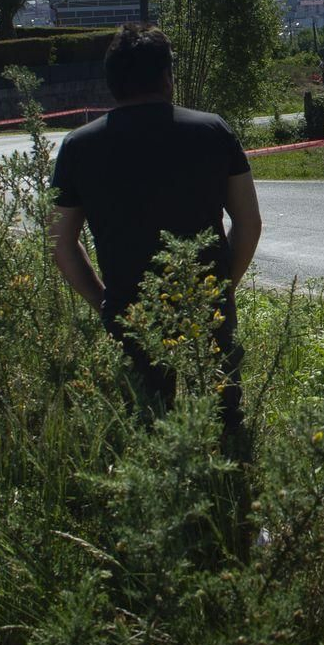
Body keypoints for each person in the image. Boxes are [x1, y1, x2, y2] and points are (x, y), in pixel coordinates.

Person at [49, 24, 263, 455]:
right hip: (207, 306)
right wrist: (222, 288)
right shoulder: (213, 132)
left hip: (132, 310)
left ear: (111, 82)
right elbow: (249, 222)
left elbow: (60, 243)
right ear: (167, 77)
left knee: (148, 433)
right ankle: (235, 509)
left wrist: (105, 302)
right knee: (225, 429)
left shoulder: (78, 147)